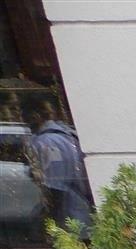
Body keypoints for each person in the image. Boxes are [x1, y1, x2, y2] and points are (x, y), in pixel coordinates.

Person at [21, 91, 91, 237]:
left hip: (70, 221)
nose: (23, 120)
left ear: (35, 115)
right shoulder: (69, 136)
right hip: (83, 218)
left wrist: (48, 224)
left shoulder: (46, 142)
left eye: (24, 114)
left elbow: (55, 187)